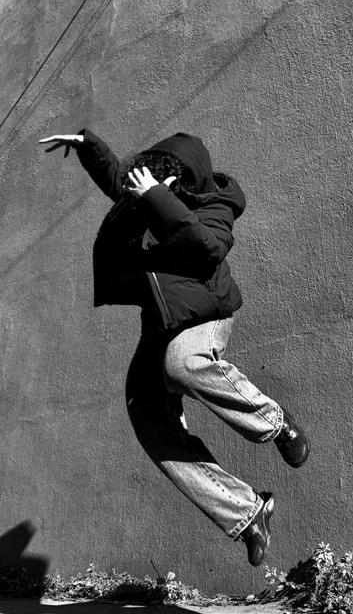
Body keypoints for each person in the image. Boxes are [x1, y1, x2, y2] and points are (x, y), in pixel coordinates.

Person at [39, 129, 310, 566]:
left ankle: (276, 424)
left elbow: (207, 249)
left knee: (182, 363)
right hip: (162, 324)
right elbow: (117, 179)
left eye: (165, 183)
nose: (151, 187)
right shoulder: (147, 192)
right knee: (146, 412)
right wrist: (88, 145)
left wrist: (159, 199)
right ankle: (246, 511)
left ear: (185, 181)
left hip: (206, 316)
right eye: (152, 181)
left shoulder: (217, 205)